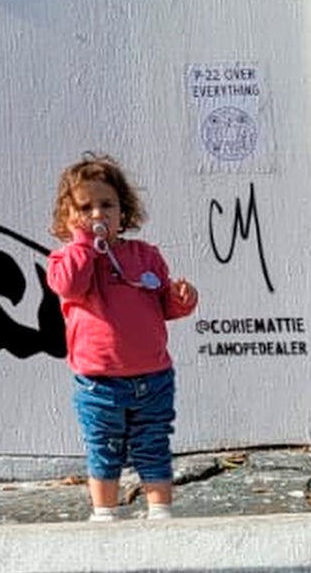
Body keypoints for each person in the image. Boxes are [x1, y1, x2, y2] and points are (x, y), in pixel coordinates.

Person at [47, 153, 198, 521]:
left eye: (106, 205)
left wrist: (182, 299)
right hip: (100, 383)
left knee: (153, 443)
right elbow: (68, 285)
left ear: (123, 211)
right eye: (84, 207)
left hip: (153, 377)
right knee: (104, 447)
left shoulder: (145, 256)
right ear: (67, 218)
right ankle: (105, 513)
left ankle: (160, 509)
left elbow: (163, 304)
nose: (97, 214)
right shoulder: (66, 260)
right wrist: (84, 245)